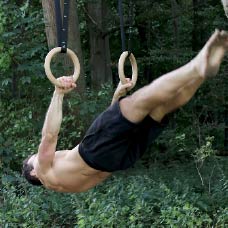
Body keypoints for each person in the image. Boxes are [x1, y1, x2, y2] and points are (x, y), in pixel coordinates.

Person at [22, 30, 228, 193]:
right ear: (33, 172)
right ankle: (196, 66)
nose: (37, 156)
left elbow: (111, 140)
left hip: (120, 160)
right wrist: (58, 93)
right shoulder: (42, 169)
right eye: (34, 157)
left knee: (164, 106)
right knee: (138, 102)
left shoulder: (68, 184)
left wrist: (116, 100)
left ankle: (201, 75)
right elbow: (49, 136)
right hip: (95, 153)